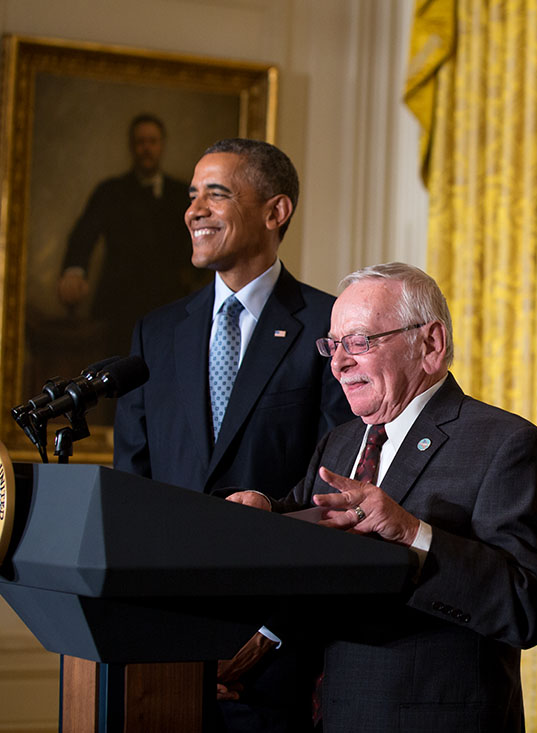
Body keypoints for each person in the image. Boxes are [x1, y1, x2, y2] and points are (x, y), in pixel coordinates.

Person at [226, 262, 537, 732]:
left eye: (359, 342)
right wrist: (267, 514)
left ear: (430, 344)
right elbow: (312, 538)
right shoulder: (339, 442)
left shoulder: (505, 444)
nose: (340, 363)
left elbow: (530, 609)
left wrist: (414, 536)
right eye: (334, 346)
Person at [113, 138, 353, 732]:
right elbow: (132, 487)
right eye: (193, 195)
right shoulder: (156, 333)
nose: (193, 209)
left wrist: (271, 634)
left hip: (279, 659)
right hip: (162, 652)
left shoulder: (333, 327)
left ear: (277, 211)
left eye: (215, 193)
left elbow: (339, 490)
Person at [58, 113, 206, 359]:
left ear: (162, 145)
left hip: (169, 304)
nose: (146, 148)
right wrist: (74, 270)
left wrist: (193, 274)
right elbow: (84, 234)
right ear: (131, 147)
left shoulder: (183, 194)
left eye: (152, 141)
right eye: (140, 142)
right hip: (118, 309)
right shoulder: (110, 192)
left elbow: (202, 237)